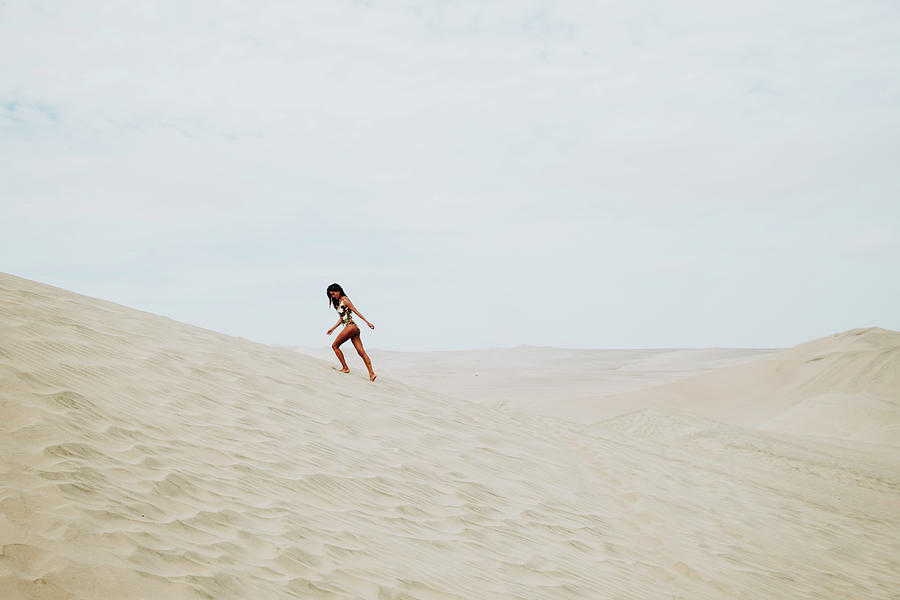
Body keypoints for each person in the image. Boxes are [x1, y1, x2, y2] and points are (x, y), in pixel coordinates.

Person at [326, 283, 376, 381]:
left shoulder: (345, 300)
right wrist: (333, 328)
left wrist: (367, 322)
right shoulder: (339, 301)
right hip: (353, 329)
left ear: (338, 291)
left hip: (350, 327)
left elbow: (356, 311)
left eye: (333, 294)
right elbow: (342, 318)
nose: (333, 296)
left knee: (335, 346)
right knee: (361, 352)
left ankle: (345, 368)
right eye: (331, 295)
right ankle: (372, 374)